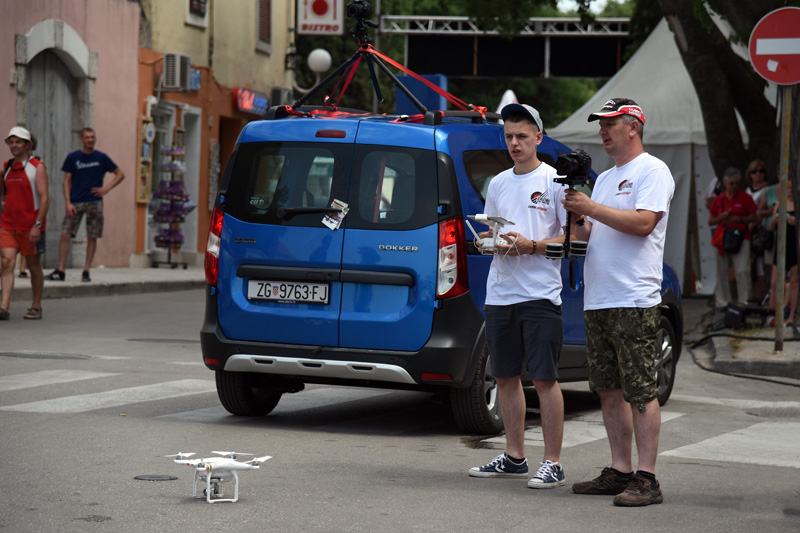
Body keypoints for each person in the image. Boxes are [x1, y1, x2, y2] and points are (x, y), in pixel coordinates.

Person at [562, 98, 674, 507]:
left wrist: (590, 206)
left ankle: (648, 478)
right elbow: (596, 232)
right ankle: (620, 470)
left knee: (640, 391)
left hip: (633, 297)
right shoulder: (606, 178)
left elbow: (644, 224)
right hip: (599, 298)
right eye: (600, 124)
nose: (602, 131)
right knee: (608, 389)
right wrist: (579, 217)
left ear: (634, 127)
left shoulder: (653, 170)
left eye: (610, 123)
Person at [467, 103, 569, 490]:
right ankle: (514, 457)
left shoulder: (556, 180)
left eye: (522, 136)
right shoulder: (498, 183)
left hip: (541, 294)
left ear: (539, 138)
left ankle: (553, 462)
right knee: (506, 376)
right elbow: (494, 231)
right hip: (501, 293)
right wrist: (487, 243)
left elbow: (575, 237)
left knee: (544, 379)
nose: (514, 143)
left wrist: (534, 246)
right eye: (509, 136)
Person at [47, 127, 124, 282]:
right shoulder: (73, 157)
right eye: (87, 137)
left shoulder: (101, 158)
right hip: (76, 202)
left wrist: (106, 189)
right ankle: (61, 270)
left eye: (93, 137)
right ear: (81, 140)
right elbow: (66, 181)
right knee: (65, 233)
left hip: (94, 202)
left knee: (92, 236)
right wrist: (68, 203)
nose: (90, 140)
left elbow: (120, 174)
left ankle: (86, 270)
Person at [0, 126, 49, 320]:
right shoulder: (7, 167)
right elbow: (3, 194)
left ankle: (36, 305)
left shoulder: (37, 166)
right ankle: (4, 307)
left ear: (28, 145)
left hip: (31, 228)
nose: (13, 145)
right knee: (6, 262)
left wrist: (37, 225)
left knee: (33, 266)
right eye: (11, 142)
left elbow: (45, 199)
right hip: (8, 225)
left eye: (18, 142)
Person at [708, 168, 758, 308]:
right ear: (725, 183)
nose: (735, 186)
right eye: (732, 183)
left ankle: (744, 302)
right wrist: (720, 218)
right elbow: (710, 221)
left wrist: (739, 219)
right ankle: (723, 303)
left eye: (737, 183)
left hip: (741, 237)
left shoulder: (745, 198)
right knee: (721, 272)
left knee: (742, 271)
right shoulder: (719, 199)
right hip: (722, 238)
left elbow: (755, 217)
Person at [768, 184, 797, 327]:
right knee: (775, 282)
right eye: (787, 189)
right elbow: (771, 227)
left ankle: (792, 316)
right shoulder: (779, 204)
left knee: (794, 282)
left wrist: (794, 222)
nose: (789, 192)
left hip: (794, 245)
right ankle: (772, 314)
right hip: (780, 245)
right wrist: (774, 220)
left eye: (792, 189)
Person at [745, 159, 770, 302]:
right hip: (748, 230)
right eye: (754, 171)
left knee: (759, 265)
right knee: (750, 264)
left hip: (759, 230)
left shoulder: (766, 190)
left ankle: (759, 297)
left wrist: (754, 221)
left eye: (761, 171)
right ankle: (751, 296)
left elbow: (761, 211)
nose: (758, 174)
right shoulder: (747, 190)